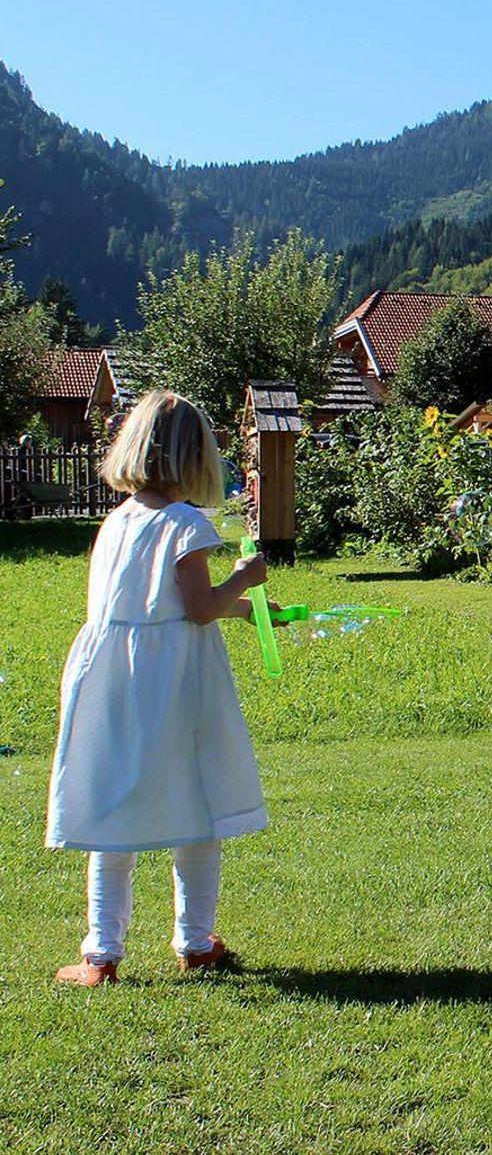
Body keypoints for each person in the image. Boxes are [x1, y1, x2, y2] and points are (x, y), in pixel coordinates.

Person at [45, 390, 278, 986]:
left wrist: (245, 611)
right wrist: (244, 579)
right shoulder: (185, 524)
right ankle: (195, 943)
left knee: (114, 807)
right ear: (194, 458)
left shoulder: (117, 521)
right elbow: (197, 609)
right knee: (195, 802)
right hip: (173, 683)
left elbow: (155, 605)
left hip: (112, 680)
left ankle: (101, 954)